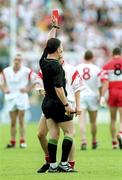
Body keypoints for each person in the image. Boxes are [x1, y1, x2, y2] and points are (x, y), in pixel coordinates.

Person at [39, 16, 81, 173]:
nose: (62, 48)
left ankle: (52, 165)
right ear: (58, 50)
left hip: (47, 103)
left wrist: (54, 28)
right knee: (70, 132)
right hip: (58, 102)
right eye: (61, 46)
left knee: (54, 135)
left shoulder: (43, 61)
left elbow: (48, 42)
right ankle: (64, 164)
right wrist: (67, 105)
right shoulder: (57, 66)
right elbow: (59, 88)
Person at [36, 61, 82, 173]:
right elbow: (38, 82)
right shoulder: (47, 67)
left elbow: (77, 89)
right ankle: (50, 161)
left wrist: (78, 105)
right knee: (41, 134)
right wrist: (41, 90)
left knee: (69, 133)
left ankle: (69, 163)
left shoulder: (71, 69)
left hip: (67, 103)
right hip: (51, 103)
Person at [0, 53, 37, 148]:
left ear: (22, 61)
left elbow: (36, 79)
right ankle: (12, 141)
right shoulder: (6, 71)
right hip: (11, 97)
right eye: (16, 59)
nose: (17, 61)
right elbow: (1, 82)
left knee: (21, 120)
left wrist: (28, 89)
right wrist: (4, 89)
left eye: (19, 60)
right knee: (12, 121)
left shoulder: (26, 71)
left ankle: (22, 140)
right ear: (13, 60)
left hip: (21, 97)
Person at [76, 50, 102, 150]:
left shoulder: (78, 67)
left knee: (82, 120)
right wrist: (100, 96)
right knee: (93, 121)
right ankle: (94, 140)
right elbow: (100, 84)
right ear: (92, 57)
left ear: (84, 57)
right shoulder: (97, 69)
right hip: (93, 96)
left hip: (81, 96)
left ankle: (83, 140)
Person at [100, 47, 122, 149]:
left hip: (112, 92)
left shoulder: (106, 66)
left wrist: (102, 96)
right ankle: (121, 133)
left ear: (112, 54)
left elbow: (105, 82)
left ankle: (114, 142)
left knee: (112, 119)